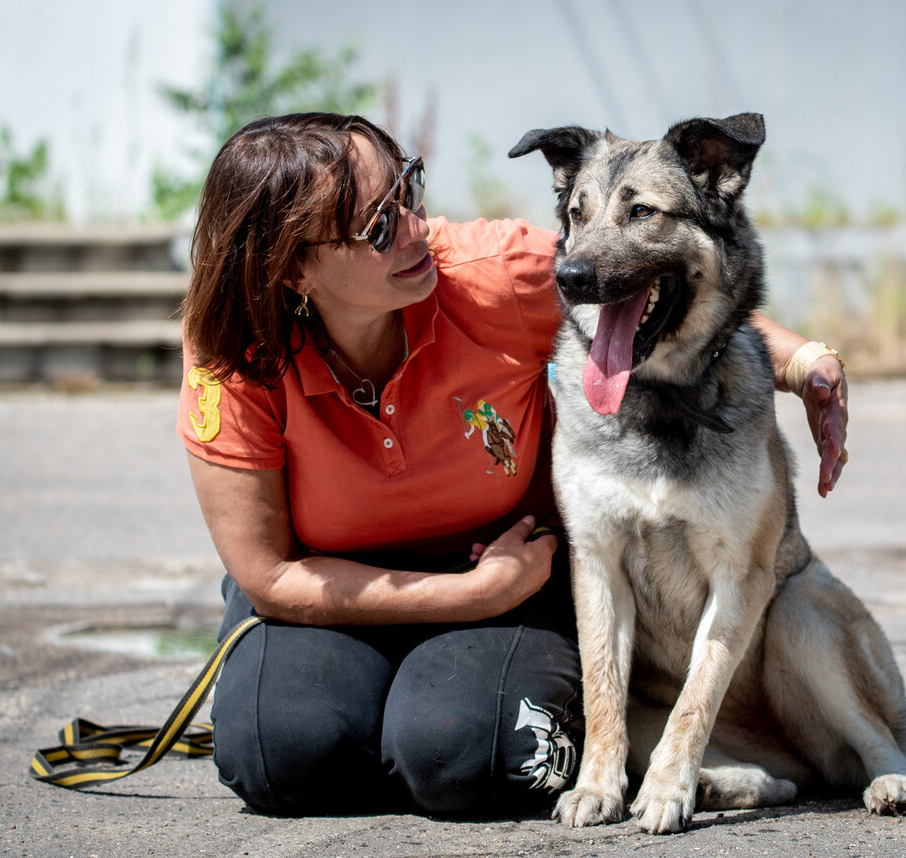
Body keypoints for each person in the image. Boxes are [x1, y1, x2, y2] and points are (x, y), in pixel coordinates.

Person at [176, 113, 849, 818]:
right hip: (331, 595)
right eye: (377, 227)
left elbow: (684, 298)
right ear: (292, 270)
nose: (414, 227)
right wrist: (471, 594)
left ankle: (413, 729)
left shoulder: (490, 277)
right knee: (287, 757)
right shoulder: (234, 348)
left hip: (508, 585)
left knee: (462, 760)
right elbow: (269, 576)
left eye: (408, 188)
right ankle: (374, 724)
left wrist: (808, 364)